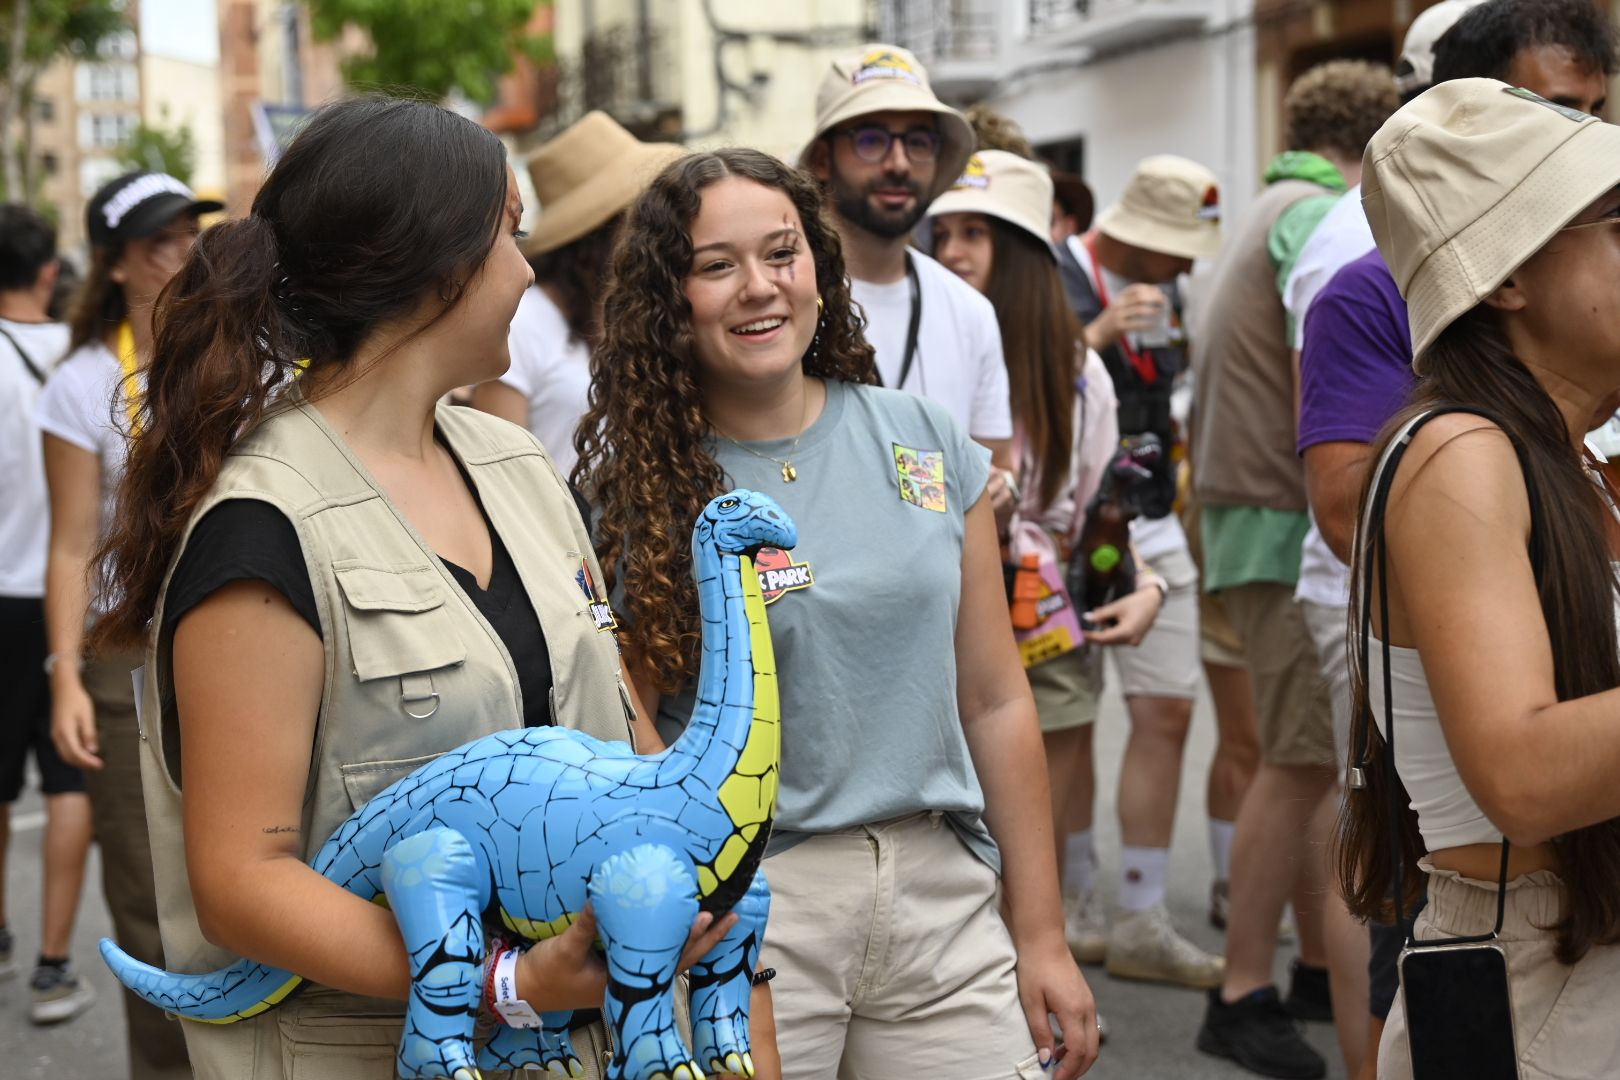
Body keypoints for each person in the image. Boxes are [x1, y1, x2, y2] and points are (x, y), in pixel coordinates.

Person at [87, 98, 733, 1079]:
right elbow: (238, 883)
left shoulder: (516, 464)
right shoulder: (261, 529)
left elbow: (620, 726)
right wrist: (505, 981)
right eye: (508, 235)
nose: (527, 270)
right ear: (434, 267)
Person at [578, 147, 1099, 1080]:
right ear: (669, 299)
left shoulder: (927, 440)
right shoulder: (645, 491)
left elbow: (994, 699)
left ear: (818, 263)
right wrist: (704, 910)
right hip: (751, 912)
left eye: (781, 253)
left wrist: (1044, 934)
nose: (757, 288)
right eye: (714, 265)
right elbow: (628, 741)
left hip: (942, 899)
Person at [1289, 4, 1614, 1076]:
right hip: (1537, 983)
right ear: (1507, 278)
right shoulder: (1459, 453)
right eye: (1617, 225)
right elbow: (1521, 773)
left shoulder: (1574, 455)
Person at [1191, 60, 1398, 1080]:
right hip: (1282, 519)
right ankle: (1243, 993)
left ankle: (1317, 966)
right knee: (1302, 761)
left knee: (1299, 755)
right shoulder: (1322, 213)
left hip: (1244, 513)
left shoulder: (1273, 200)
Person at [928, 149, 1164, 1038]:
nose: (952, 249)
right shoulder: (921, 338)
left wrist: (1148, 586)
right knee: (949, 844)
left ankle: (1016, 1023)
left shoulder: (1078, 371)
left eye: (976, 233)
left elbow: (1104, 520)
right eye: (943, 232)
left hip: (1042, 628)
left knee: (1031, 845)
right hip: (932, 624)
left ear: (1026, 250)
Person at [36, 171, 213, 1078]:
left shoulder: (230, 353)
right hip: (124, 653)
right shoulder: (81, 382)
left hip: (231, 634)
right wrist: (65, 673)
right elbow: (69, 546)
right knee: (145, 893)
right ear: (111, 266)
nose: (182, 254)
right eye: (158, 242)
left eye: (189, 233)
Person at [1051, 154, 1235, 989]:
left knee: (1167, 713)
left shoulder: (1174, 290)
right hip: (1074, 525)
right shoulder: (1058, 272)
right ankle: (1074, 904)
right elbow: (1020, 390)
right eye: (1177, 248)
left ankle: (1142, 914)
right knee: (1073, 722)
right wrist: (1094, 336)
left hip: (1153, 519)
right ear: (1136, 232)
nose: (1188, 265)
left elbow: (1171, 387)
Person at [798, 44, 1014, 473]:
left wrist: (998, 492)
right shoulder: (785, 302)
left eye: (917, 141)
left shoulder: (969, 312)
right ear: (824, 158)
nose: (898, 163)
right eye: (871, 139)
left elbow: (996, 467)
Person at [0, 204, 95, 1025]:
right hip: (70, 598)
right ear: (45, 273)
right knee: (69, 780)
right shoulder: (84, 360)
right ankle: (52, 967)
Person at [469, 111, 683, 475]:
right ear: (596, 237)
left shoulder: (635, 313)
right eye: (637, 219)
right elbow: (499, 472)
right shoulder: (521, 323)